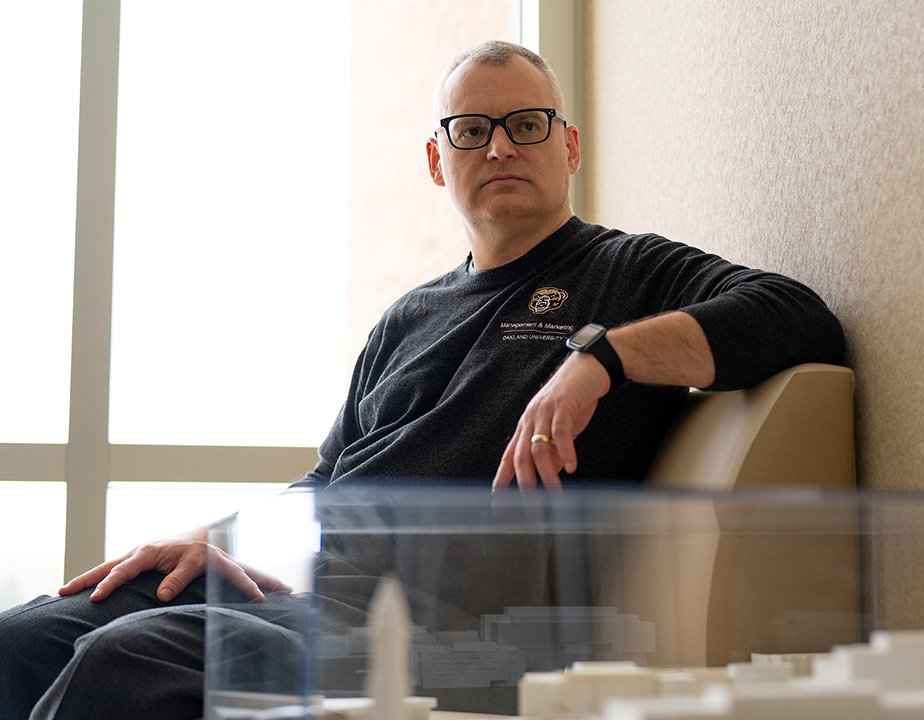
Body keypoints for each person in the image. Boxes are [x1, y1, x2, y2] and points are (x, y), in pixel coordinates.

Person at [0, 41, 844, 720]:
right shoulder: (408, 316)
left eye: (526, 124)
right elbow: (328, 480)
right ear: (439, 161)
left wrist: (598, 359)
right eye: (472, 130)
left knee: (131, 659)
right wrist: (219, 539)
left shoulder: (628, 272)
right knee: (24, 638)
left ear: (569, 146)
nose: (501, 146)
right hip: (316, 605)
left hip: (462, 639)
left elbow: (797, 315)